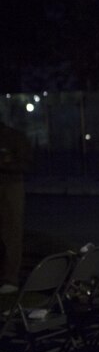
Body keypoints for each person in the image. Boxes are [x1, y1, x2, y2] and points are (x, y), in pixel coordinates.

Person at [0, 122, 31, 294]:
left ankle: (10, 278)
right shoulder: (14, 136)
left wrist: (5, 163)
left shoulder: (14, 137)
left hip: (10, 187)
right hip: (9, 185)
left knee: (11, 232)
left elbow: (25, 163)